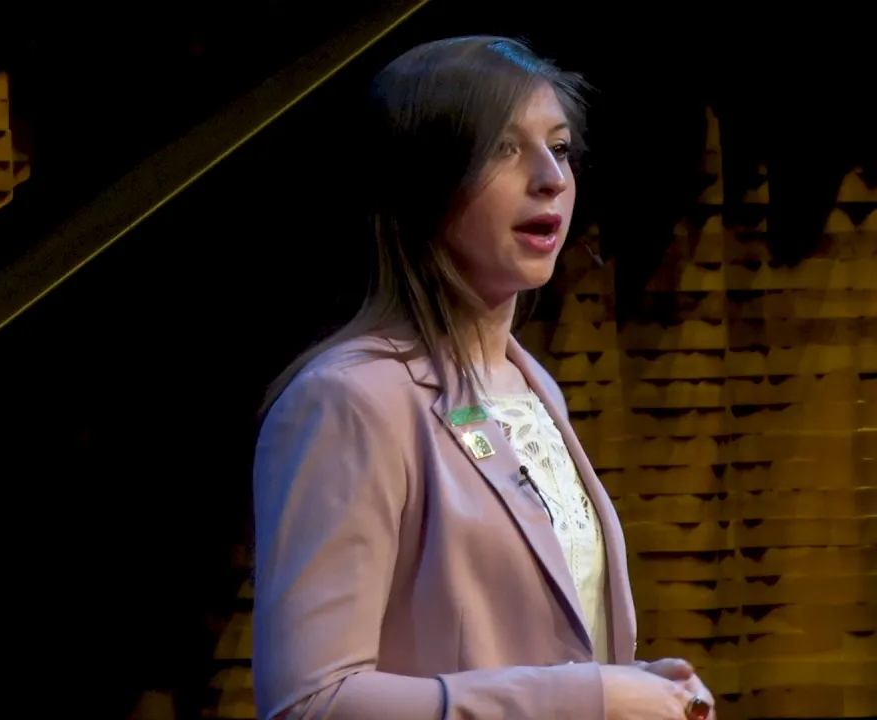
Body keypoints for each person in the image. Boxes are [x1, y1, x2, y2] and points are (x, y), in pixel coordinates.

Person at [251, 36, 716, 720]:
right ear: (423, 182)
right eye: (503, 148)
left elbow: (517, 652)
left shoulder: (532, 386)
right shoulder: (348, 401)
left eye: (559, 147)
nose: (551, 178)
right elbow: (310, 703)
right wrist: (586, 699)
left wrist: (641, 688)